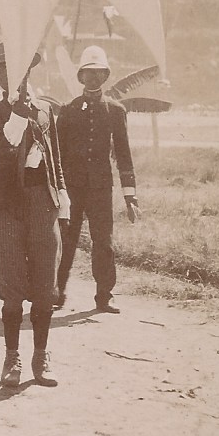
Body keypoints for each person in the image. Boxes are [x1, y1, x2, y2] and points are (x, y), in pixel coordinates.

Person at [0, 44, 69, 387]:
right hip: (9, 201)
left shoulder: (46, 109)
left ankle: (41, 357)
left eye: (18, 68)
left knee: (45, 280)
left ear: (29, 71)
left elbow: (55, 157)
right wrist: (18, 111)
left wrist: (62, 196)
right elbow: (4, 148)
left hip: (42, 200)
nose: (12, 75)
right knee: (11, 277)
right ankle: (12, 358)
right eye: (4, 70)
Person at [56, 45, 139, 314]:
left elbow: (123, 154)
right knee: (67, 239)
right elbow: (58, 153)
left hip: (101, 188)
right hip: (72, 187)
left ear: (105, 76)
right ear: (81, 77)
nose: (93, 78)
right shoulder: (68, 110)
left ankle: (104, 295)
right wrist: (59, 189)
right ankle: (57, 290)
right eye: (88, 73)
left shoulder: (115, 110)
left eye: (98, 73)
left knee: (103, 241)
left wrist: (130, 195)